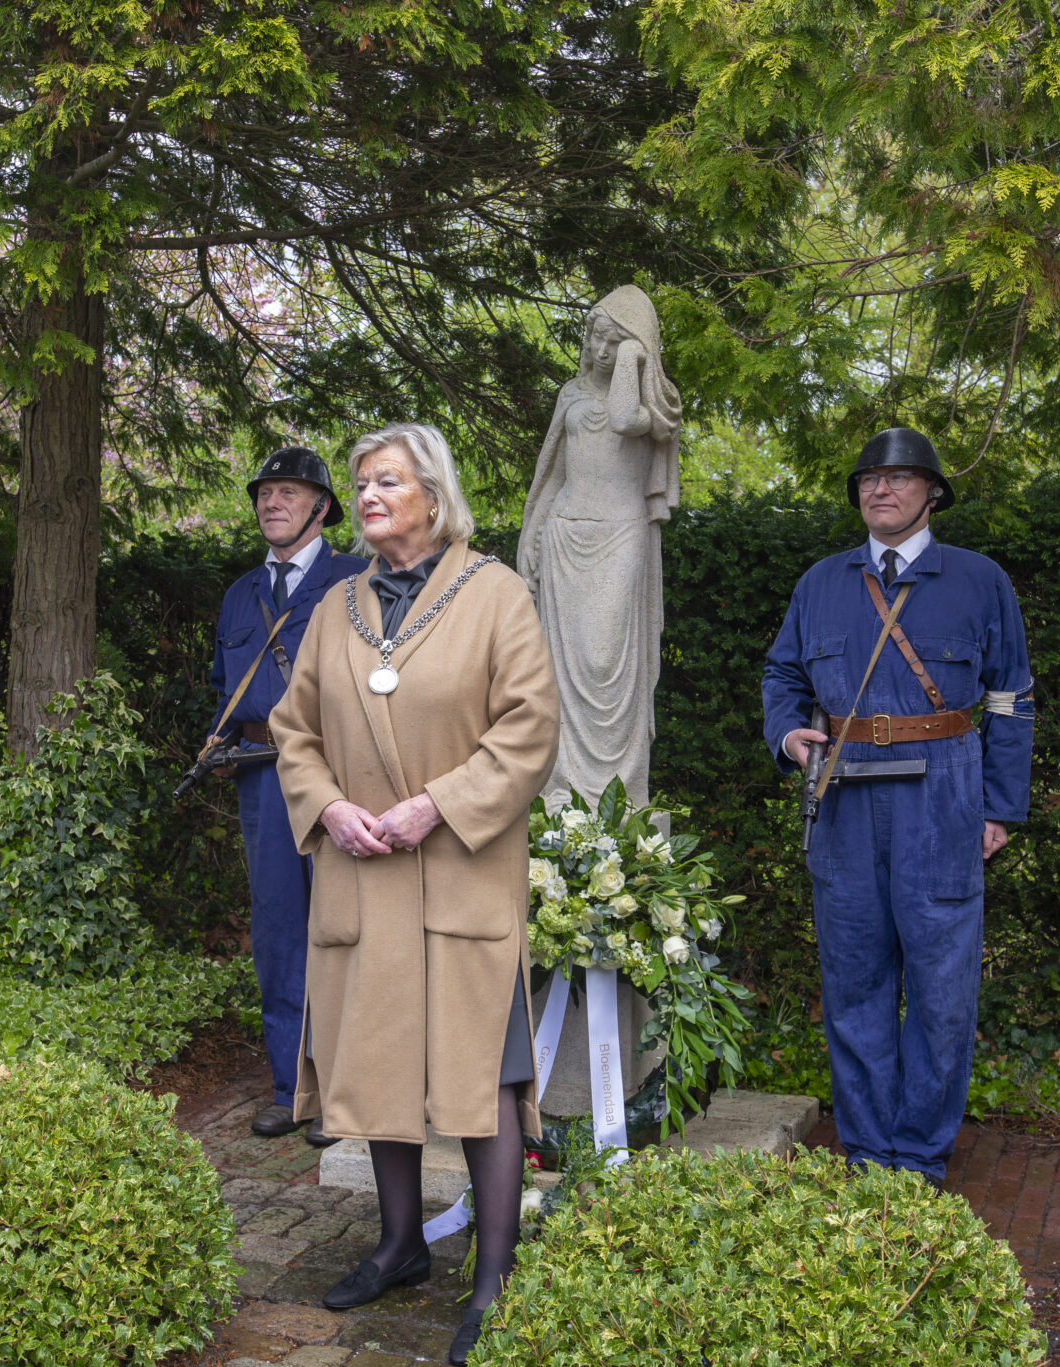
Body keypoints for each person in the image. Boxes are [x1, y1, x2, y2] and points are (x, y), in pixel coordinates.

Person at [269, 422, 559, 1366]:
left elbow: (529, 727)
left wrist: (439, 804)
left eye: (386, 479)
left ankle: (495, 1274)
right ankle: (399, 1248)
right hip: (365, 874)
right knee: (381, 1067)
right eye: (360, 483)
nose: (366, 495)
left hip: (462, 874)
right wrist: (328, 807)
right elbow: (293, 729)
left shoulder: (497, 594)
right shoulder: (337, 606)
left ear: (434, 493)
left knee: (486, 1078)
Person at [761, 427, 1034, 1186]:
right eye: (868, 479)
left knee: (944, 992)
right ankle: (869, 1152)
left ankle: (918, 1156)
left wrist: (1002, 808)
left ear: (931, 492)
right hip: (844, 793)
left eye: (900, 477)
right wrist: (788, 735)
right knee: (854, 985)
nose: (881, 488)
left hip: (942, 794)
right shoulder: (820, 583)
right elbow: (781, 675)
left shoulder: (981, 582)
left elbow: (1011, 700)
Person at [207, 445, 367, 1146]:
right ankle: (289, 1087)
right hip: (260, 775)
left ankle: (347, 1090)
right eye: (265, 492)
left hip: (337, 775)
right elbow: (225, 684)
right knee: (277, 933)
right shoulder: (240, 594)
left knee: (343, 927)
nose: (272, 502)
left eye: (289, 492)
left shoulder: (357, 579)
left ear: (322, 507)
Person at [517, 284, 681, 807]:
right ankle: (560, 792)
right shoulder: (570, 394)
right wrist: (532, 537)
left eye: (615, 341)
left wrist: (635, 361)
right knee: (558, 671)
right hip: (566, 534)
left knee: (609, 662)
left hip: (622, 534)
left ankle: (621, 796)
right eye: (596, 339)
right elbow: (553, 473)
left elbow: (624, 419)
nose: (601, 351)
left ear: (638, 344)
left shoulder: (657, 404)